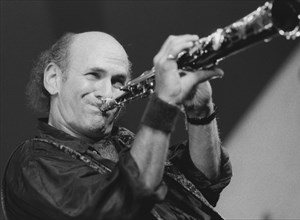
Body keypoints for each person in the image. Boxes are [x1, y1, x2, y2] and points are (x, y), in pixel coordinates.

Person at [1, 31, 232, 220]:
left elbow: (203, 182)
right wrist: (163, 104)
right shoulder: (32, 162)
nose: (107, 93)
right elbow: (116, 208)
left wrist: (200, 112)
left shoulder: (126, 143)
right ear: (53, 79)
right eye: (93, 75)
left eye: (118, 81)